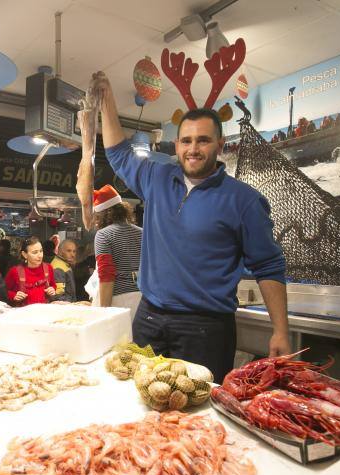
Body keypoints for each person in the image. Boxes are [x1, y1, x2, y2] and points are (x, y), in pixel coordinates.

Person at [92, 71, 289, 381]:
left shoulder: (245, 201)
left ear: (219, 144)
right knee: (140, 401)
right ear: (176, 144)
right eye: (186, 140)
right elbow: (118, 153)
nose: (193, 149)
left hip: (206, 329)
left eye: (203, 140)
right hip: (149, 318)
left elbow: (269, 267)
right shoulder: (157, 179)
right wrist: (106, 100)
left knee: (199, 414)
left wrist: (280, 330)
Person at [92, 185, 143, 313]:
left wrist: (104, 312)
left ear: (103, 214)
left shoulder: (103, 235)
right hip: (144, 298)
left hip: (119, 300)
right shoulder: (142, 233)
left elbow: (106, 275)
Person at [4, 236, 56, 307]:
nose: (40, 255)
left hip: (44, 312)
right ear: (25, 255)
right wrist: (13, 295)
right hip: (23, 314)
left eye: (41, 251)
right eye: (35, 252)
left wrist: (52, 289)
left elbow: (53, 285)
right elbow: (3, 292)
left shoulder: (48, 268)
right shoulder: (15, 271)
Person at [50, 238, 78, 302]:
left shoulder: (64, 263)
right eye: (69, 251)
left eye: (74, 251)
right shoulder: (58, 268)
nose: (72, 254)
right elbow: (59, 296)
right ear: (60, 251)